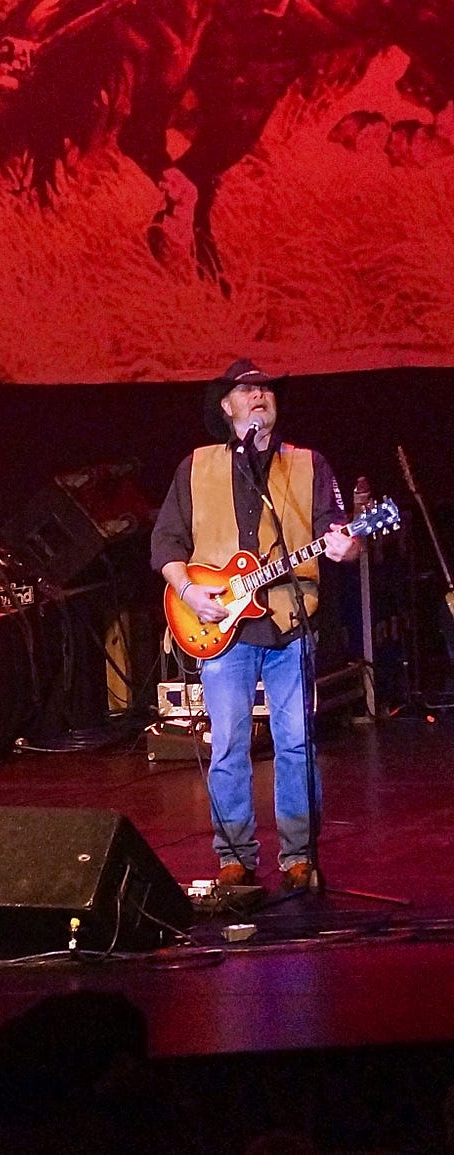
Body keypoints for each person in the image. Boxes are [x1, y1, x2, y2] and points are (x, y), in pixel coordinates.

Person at [150, 359, 357, 896]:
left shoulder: (308, 465)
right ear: (227, 405)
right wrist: (191, 591)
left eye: (265, 388)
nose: (259, 395)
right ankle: (235, 857)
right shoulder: (194, 467)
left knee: (296, 743)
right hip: (220, 626)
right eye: (247, 389)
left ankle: (297, 856)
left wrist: (349, 544)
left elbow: (340, 536)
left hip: (290, 623)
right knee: (229, 745)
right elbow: (166, 544)